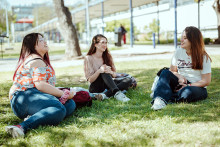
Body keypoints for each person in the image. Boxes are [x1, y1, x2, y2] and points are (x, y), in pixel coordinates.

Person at [5, 33, 76, 138]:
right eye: (41, 40)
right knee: (59, 109)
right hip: (23, 98)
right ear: (33, 45)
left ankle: (35, 116)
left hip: (33, 96)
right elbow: (41, 85)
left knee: (70, 104)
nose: (45, 41)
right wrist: (63, 94)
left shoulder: (39, 59)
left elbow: (44, 85)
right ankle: (21, 127)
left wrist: (64, 94)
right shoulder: (35, 60)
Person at [151, 26, 212, 110]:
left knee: (187, 93)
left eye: (185, 38)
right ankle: (159, 99)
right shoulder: (178, 52)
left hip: (195, 86)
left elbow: (206, 81)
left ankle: (162, 94)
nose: (181, 40)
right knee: (165, 72)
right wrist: (180, 76)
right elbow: (172, 71)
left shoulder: (204, 57)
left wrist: (188, 85)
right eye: (181, 37)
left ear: (193, 40)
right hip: (180, 83)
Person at [84, 34, 132, 102]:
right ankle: (117, 93)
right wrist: (100, 70)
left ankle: (104, 95)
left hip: (107, 84)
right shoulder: (88, 58)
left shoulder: (108, 56)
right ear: (95, 44)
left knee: (128, 80)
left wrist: (110, 72)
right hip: (96, 87)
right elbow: (90, 80)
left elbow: (114, 75)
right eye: (102, 42)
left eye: (106, 42)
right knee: (104, 72)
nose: (105, 45)